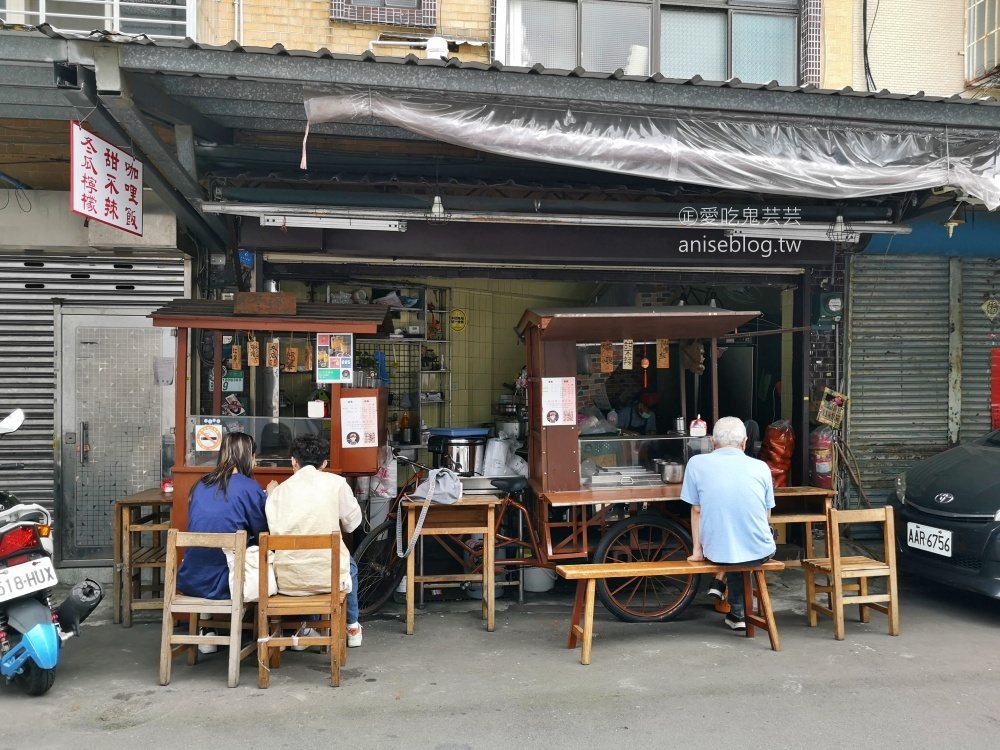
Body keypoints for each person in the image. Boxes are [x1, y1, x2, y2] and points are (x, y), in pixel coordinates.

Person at [265, 435, 364, 649]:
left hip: (288, 581)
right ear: (324, 464)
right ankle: (352, 626)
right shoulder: (337, 484)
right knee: (350, 565)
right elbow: (352, 523)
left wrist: (270, 496)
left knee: (304, 560)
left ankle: (305, 627)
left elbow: (274, 529)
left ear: (293, 461)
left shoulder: (279, 491)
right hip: (330, 579)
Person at [176, 432, 268, 654]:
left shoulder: (200, 485)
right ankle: (272, 631)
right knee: (263, 556)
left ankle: (206, 629)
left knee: (214, 554)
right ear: (248, 456)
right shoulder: (249, 486)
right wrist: (269, 497)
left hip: (191, 579)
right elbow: (264, 532)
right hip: (229, 584)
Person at [681, 416, 776, 631]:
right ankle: (738, 612)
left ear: (712, 443)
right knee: (741, 550)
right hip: (760, 548)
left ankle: (736, 608)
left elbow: (696, 509)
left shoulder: (696, 463)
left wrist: (697, 552)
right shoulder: (761, 467)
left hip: (718, 551)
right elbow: (766, 513)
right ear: (744, 442)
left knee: (732, 550)